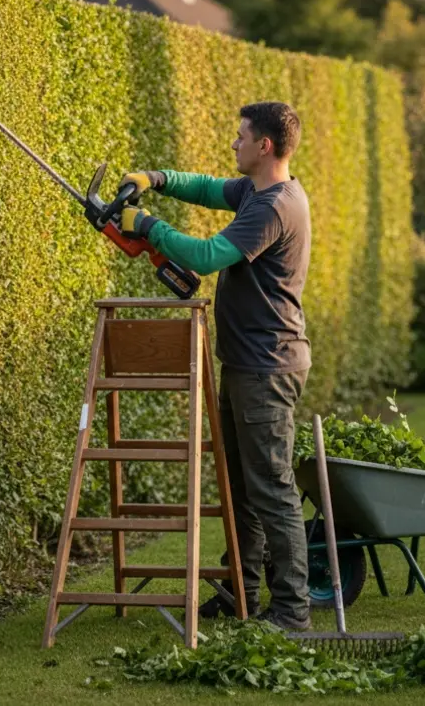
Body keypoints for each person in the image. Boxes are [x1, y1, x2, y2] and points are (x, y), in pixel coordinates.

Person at [118, 101, 312, 631]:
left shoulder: (275, 207)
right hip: (248, 363)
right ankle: (241, 596)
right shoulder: (256, 191)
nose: (234, 143)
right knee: (242, 487)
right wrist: (156, 179)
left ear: (264, 146)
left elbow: (204, 258)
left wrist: (150, 226)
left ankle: (293, 612)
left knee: (271, 487)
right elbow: (206, 188)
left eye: (240, 136)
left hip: (268, 368)